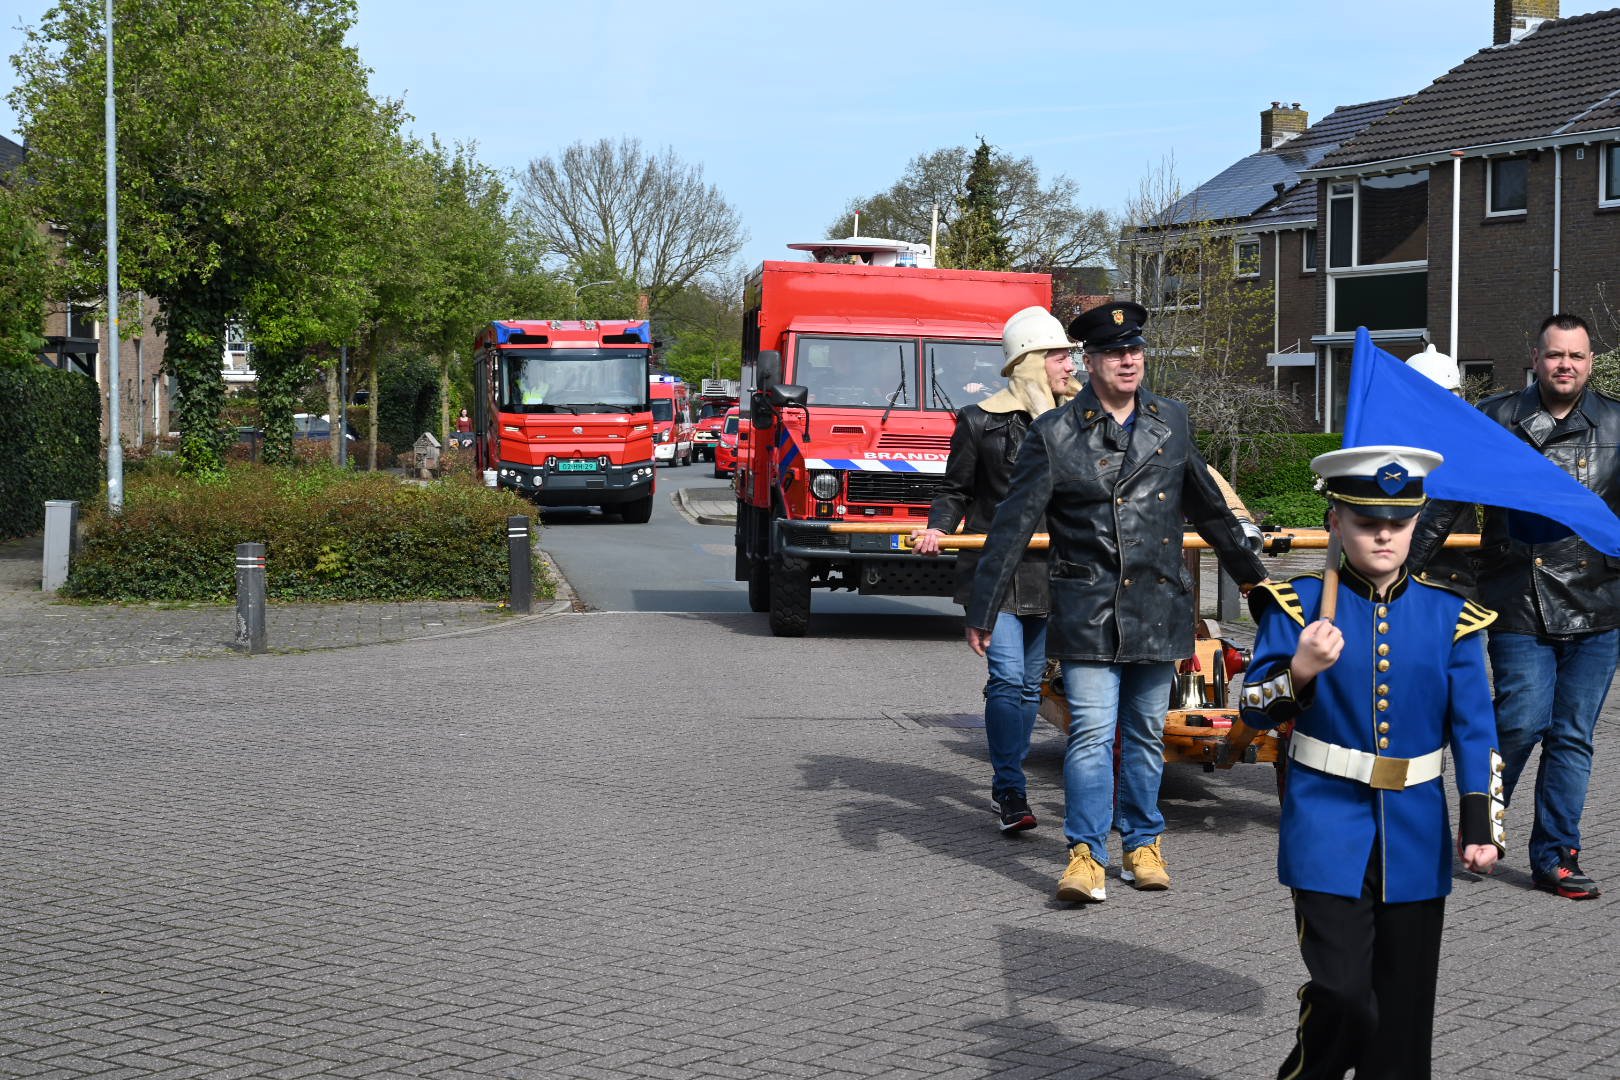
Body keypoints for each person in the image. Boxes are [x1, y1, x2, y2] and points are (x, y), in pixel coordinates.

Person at [963, 300, 1266, 902]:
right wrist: (984, 606)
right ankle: (1085, 853)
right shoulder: (1054, 432)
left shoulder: (1171, 419)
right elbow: (1012, 526)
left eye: (1135, 350)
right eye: (1113, 353)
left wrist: (1254, 582)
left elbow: (1207, 506)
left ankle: (1143, 843)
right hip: (1088, 606)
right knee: (1091, 735)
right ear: (1090, 360)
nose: (1128, 361)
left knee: (1147, 735)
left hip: (1157, 603)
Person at [1232, 445, 1504, 1080]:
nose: (1384, 534)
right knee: (1344, 995)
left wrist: (1482, 825)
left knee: (1402, 1023)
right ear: (1336, 523)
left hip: (1415, 829)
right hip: (1325, 821)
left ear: (1415, 525)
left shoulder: (1452, 617)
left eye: (1398, 522)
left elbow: (1476, 731)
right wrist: (1300, 669)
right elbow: (1251, 712)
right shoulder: (1296, 604)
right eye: (1365, 522)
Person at [1409, 312, 1620, 900]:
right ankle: (1482, 822)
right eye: (1555, 354)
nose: (1564, 365)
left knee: (1573, 736)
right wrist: (1401, 574)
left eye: (1575, 356)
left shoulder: (1617, 421)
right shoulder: (1496, 417)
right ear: (1535, 358)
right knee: (1522, 719)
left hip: (1600, 604)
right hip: (1519, 598)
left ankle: (1557, 856)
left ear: (1590, 363)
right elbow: (1446, 502)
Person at [912, 307, 1077, 832]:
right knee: (1007, 680)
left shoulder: (1081, 421)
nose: (1070, 366)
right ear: (1031, 360)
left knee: (1030, 686)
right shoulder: (979, 420)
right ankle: (1010, 790)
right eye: (1059, 356)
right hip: (998, 571)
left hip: (1056, 571)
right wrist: (938, 527)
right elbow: (955, 490)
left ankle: (1009, 779)